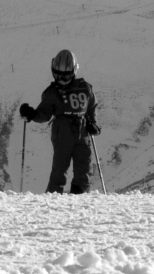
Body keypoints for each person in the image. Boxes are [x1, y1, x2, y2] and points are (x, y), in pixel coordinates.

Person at [20, 49, 99, 194]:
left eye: (66, 75)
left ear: (74, 71)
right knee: (60, 169)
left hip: (83, 132)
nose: (62, 79)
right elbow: (44, 114)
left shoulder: (85, 88)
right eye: (58, 75)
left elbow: (91, 106)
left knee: (84, 168)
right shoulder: (52, 93)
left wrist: (92, 123)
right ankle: (53, 199)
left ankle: (80, 197)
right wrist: (32, 114)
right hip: (62, 132)